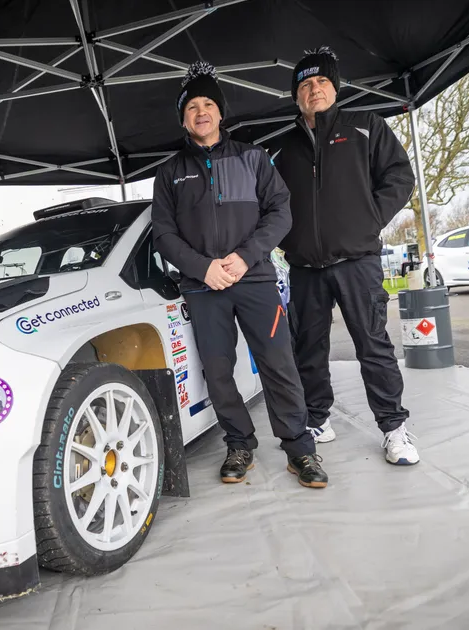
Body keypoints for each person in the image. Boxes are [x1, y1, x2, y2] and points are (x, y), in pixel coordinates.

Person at [152, 61, 328, 488]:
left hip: (255, 280)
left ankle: (300, 449)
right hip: (203, 286)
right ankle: (239, 443)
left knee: (278, 364)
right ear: (184, 117)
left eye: (208, 103)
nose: (201, 112)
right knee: (217, 370)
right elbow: (164, 235)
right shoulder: (170, 173)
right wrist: (203, 268)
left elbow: (280, 212)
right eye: (192, 106)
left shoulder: (253, 158)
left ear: (220, 112)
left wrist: (246, 257)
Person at [273, 46, 421, 465]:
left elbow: (399, 176)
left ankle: (394, 429)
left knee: (372, 345)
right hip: (304, 268)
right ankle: (318, 419)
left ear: (334, 87)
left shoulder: (366, 126)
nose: (313, 89)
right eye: (305, 84)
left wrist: (368, 219)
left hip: (356, 261)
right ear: (296, 95)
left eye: (321, 82)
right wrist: (288, 240)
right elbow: (274, 205)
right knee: (309, 348)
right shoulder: (284, 149)